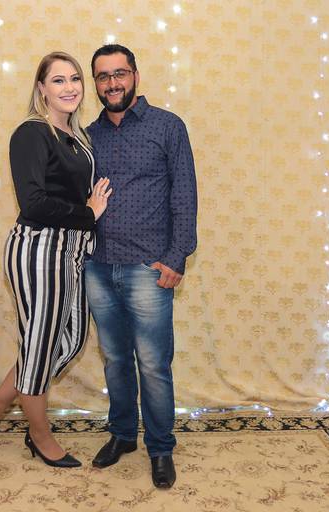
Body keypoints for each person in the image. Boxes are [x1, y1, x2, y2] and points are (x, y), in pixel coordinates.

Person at [0, 52, 112, 468]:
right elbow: (33, 202)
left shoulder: (75, 136)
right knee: (42, 344)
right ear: (41, 88)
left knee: (68, 340)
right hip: (39, 250)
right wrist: (88, 213)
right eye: (58, 80)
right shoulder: (32, 132)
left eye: (75, 79)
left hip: (72, 251)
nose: (69, 87)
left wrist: (86, 221)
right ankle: (40, 435)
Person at [85, 44, 197, 489]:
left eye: (120, 73)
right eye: (103, 76)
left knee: (152, 364)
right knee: (115, 359)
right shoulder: (87, 136)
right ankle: (122, 435)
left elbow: (184, 195)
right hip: (98, 266)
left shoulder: (167, 126)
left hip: (149, 268)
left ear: (135, 76)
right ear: (95, 84)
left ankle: (161, 448)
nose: (112, 83)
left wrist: (176, 256)